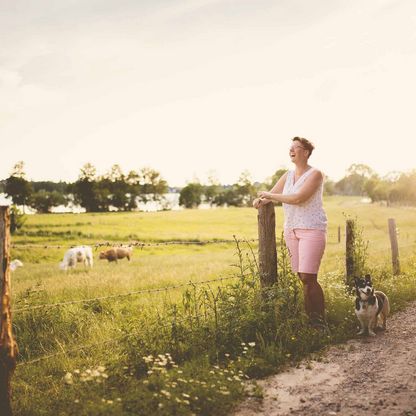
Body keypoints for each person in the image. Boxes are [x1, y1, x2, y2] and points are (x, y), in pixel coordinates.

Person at [253, 137, 327, 326]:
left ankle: (319, 323)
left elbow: (297, 198)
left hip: (312, 229)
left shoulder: (316, 174)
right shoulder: (287, 175)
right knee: (302, 277)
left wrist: (268, 195)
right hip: (291, 230)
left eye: (296, 147)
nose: (291, 150)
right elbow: (272, 195)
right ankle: (311, 321)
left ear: (306, 152)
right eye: (290, 147)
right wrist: (261, 201)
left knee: (309, 277)